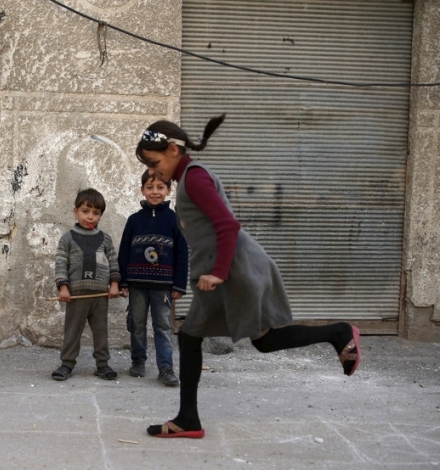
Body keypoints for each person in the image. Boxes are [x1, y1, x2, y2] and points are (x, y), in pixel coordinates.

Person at [135, 115, 360, 438]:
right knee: (256, 341)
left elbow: (227, 226)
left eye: (155, 163)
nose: (154, 171)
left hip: (231, 269)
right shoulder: (190, 178)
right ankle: (338, 333)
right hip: (226, 268)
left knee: (198, 337)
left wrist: (218, 273)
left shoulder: (195, 178)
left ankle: (188, 419)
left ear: (172, 150)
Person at [119, 171, 188, 386]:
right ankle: (138, 361)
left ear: (168, 190)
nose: (155, 192)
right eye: (150, 187)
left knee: (163, 327)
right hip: (137, 285)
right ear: (142, 190)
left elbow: (182, 254)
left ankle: (166, 368)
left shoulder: (175, 221)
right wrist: (122, 281)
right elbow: (123, 252)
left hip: (164, 287)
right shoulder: (133, 221)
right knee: (137, 324)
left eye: (160, 187)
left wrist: (179, 285)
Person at [52, 188, 121, 381]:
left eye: (95, 213)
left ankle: (102, 365)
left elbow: (113, 261)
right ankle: (66, 364)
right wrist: (63, 287)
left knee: (101, 332)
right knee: (72, 330)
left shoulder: (105, 239)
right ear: (76, 211)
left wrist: (114, 284)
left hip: (100, 295)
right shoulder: (68, 238)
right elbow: (60, 264)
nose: (90, 217)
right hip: (76, 294)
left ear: (100, 215)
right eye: (85, 211)